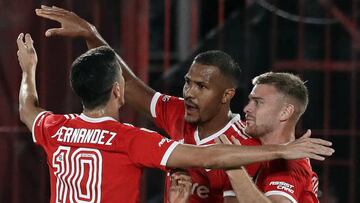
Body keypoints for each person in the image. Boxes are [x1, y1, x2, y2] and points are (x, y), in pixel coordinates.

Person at [34, 6, 333, 203]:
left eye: (201, 87)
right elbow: (132, 86)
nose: (188, 91)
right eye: (188, 81)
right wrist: (92, 35)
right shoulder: (177, 113)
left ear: (227, 95)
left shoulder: (250, 146)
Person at [217, 72, 323, 203]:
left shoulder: (291, 163)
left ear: (285, 112)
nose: (247, 108)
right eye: (250, 100)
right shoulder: (250, 150)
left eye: (258, 102)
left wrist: (234, 168)